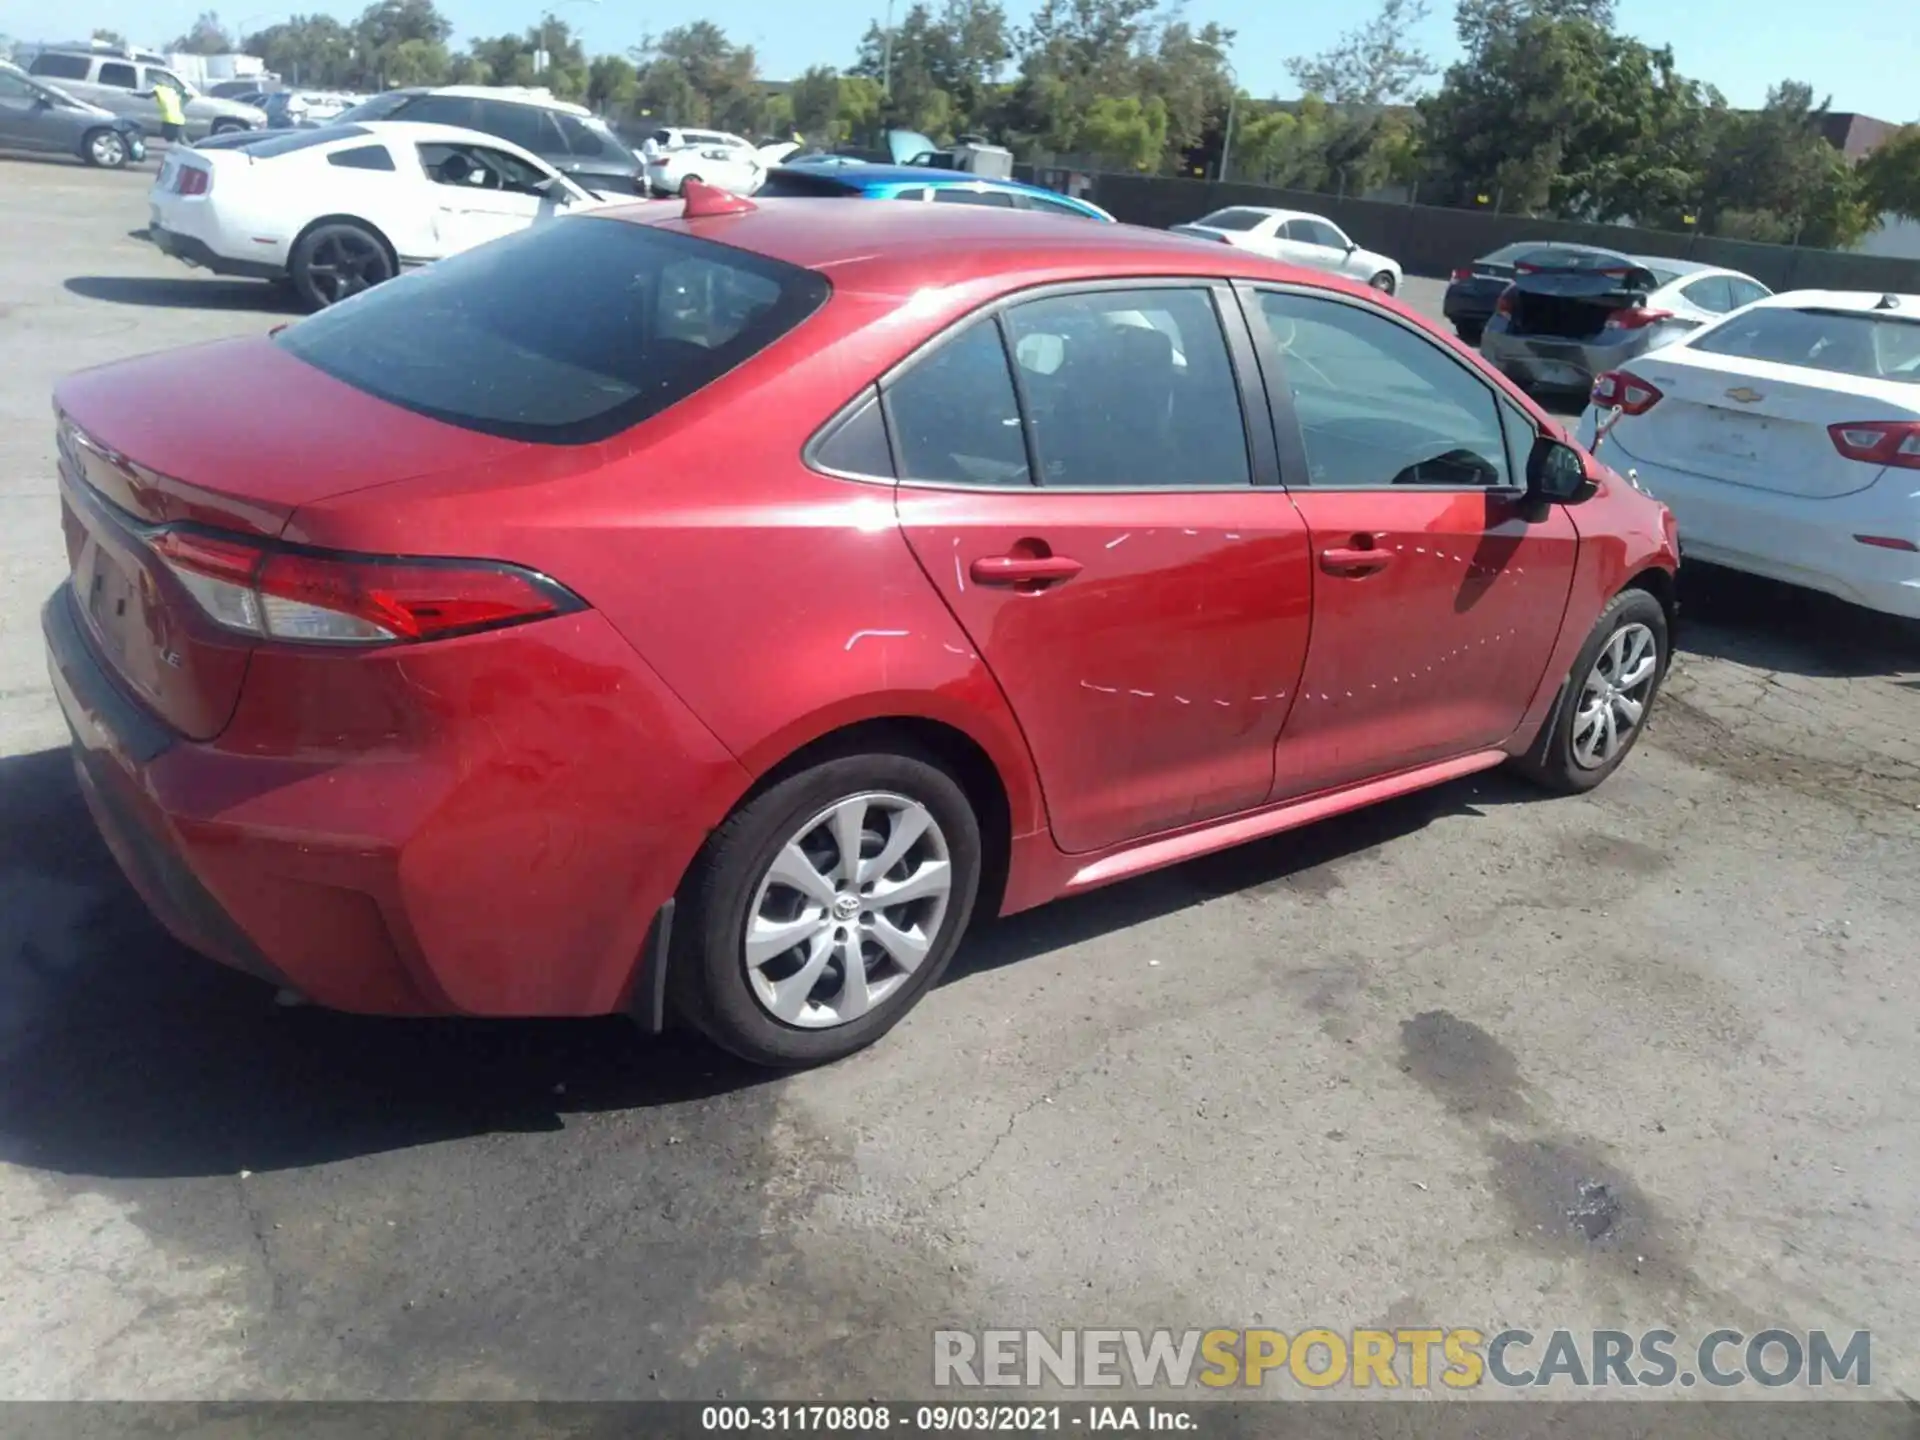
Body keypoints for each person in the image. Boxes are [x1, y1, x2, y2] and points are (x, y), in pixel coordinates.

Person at [147, 77, 186, 144]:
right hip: (179, 120)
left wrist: (133, 93)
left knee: (166, 139)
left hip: (169, 120)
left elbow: (147, 96)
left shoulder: (158, 89)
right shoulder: (172, 90)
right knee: (179, 141)